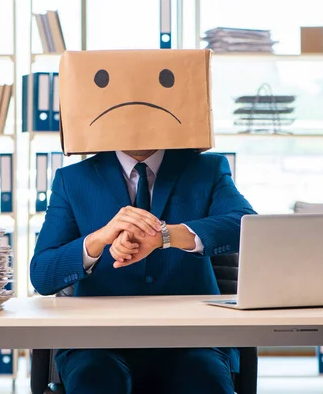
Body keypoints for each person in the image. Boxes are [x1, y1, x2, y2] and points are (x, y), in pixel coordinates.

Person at [30, 147, 256, 394]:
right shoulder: (72, 179)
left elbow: (245, 226)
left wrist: (165, 235)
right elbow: (42, 274)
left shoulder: (207, 169)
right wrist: (98, 240)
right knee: (96, 381)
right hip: (97, 343)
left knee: (202, 380)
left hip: (193, 340)